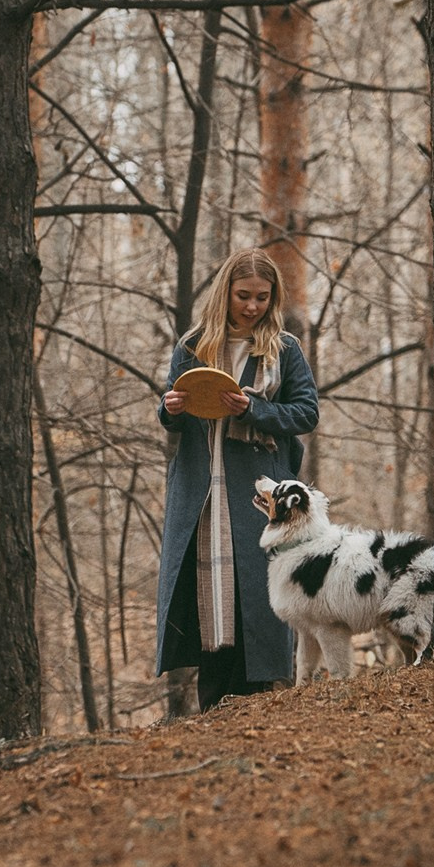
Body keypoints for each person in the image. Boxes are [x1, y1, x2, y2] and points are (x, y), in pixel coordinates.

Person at [154, 248, 319, 710]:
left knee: (257, 591)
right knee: (208, 591)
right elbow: (171, 405)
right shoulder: (193, 346)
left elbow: (307, 412)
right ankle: (214, 703)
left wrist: (254, 409)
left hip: (259, 493)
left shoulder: (283, 349)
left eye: (262, 297)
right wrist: (169, 409)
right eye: (243, 295)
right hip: (202, 491)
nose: (252, 306)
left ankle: (257, 699)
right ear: (225, 292)